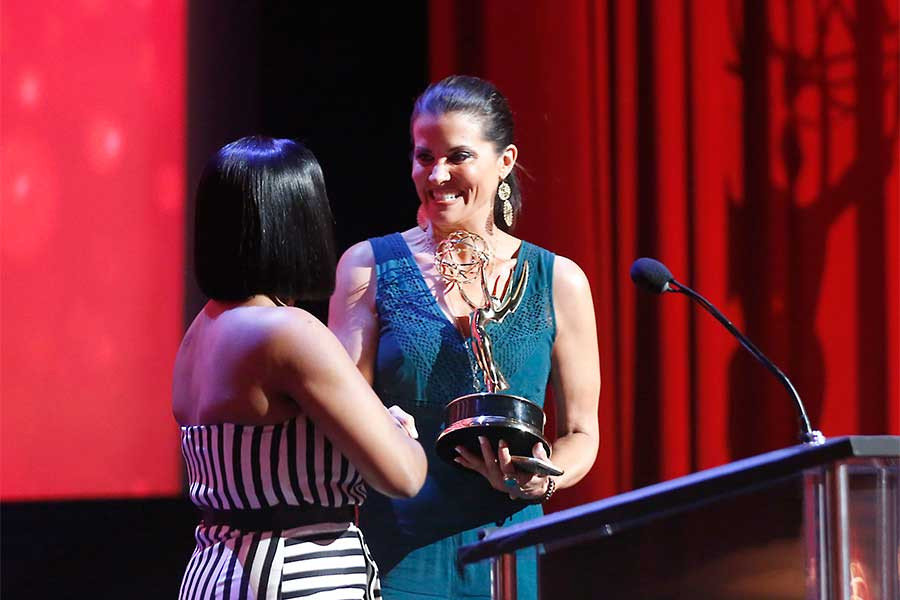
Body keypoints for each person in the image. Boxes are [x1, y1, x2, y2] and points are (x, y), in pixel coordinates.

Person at [328, 76, 601, 599]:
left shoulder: (558, 279)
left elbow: (582, 433)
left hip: (509, 548)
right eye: (424, 156)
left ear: (504, 162)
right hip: (400, 553)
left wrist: (543, 476)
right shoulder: (368, 267)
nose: (437, 175)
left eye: (458, 156)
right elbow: (341, 416)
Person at [173, 136, 427, 600]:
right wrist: (399, 433)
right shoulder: (287, 331)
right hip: (295, 576)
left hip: (216, 571)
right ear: (296, 222)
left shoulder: (201, 329)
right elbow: (403, 476)